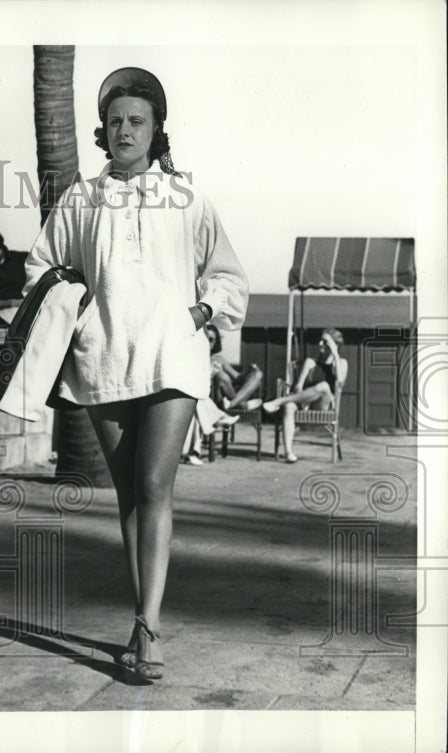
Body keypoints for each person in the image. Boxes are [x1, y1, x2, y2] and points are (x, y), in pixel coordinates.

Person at [23, 67, 248, 680]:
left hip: (172, 353)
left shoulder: (188, 198)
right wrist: (75, 312)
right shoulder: (80, 199)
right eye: (115, 121)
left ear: (156, 130)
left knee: (153, 486)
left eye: (137, 121)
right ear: (103, 131)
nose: (125, 130)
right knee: (128, 493)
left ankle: (148, 627)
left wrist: (202, 310)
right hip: (104, 356)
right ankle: (141, 616)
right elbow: (43, 265)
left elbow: (227, 273)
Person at [262, 328, 348, 463]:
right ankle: (289, 453)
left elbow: (340, 382)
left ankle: (279, 401)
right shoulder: (310, 362)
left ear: (334, 345)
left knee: (324, 386)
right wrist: (303, 397)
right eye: (320, 340)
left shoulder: (341, 363)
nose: (320, 344)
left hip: (324, 406)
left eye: (325, 341)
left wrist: (335, 354)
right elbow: (298, 387)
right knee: (289, 406)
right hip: (305, 402)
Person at [206, 323, 263, 410]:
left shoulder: (218, 359)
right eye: (205, 338)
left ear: (215, 343)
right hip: (211, 397)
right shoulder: (196, 358)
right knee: (222, 377)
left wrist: (249, 371)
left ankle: (232, 404)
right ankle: (241, 405)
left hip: (227, 397)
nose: (207, 342)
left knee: (258, 374)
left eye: (211, 340)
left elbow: (237, 377)